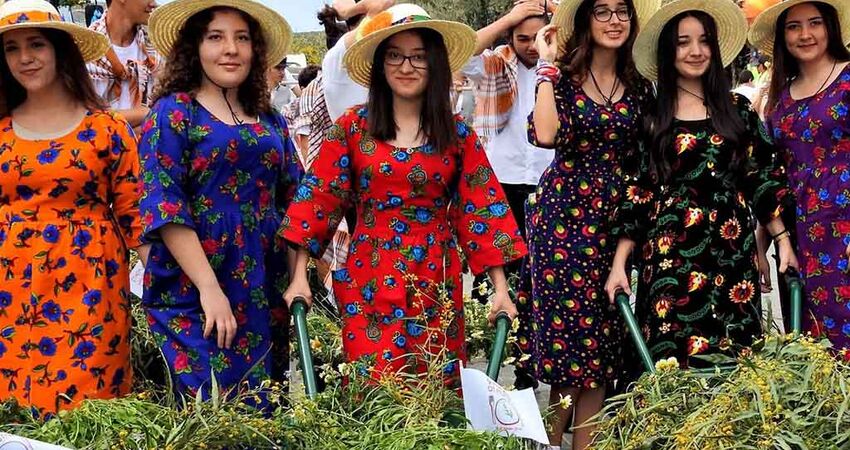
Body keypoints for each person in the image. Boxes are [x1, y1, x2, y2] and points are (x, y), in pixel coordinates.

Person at [281, 4, 526, 383]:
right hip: (369, 276)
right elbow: (317, 201)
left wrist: (501, 291)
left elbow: (483, 209)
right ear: (380, 65)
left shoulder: (457, 135)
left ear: (435, 64)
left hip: (436, 279)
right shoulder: (352, 127)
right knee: (373, 391)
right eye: (395, 55)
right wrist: (299, 277)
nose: (406, 66)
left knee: (436, 389)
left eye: (418, 56)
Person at [605, 0, 798, 370]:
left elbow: (761, 178)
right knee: (668, 364)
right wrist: (619, 265)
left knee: (734, 362)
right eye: (683, 42)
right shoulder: (652, 117)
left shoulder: (737, 110)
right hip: (669, 260)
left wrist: (782, 240)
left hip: (732, 256)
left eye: (704, 40)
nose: (696, 51)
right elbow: (636, 194)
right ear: (668, 51)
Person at [138, 0, 302, 403]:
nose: (231, 49)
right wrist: (209, 290)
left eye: (242, 38)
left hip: (264, 282)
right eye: (216, 37)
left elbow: (297, 201)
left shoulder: (270, 119)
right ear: (194, 47)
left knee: (264, 403)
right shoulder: (173, 113)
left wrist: (299, 276)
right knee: (211, 406)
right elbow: (166, 206)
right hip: (195, 285)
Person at [521, 0, 656, 447]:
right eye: (603, 11)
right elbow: (545, 135)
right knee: (569, 354)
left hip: (615, 222)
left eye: (622, 11)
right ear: (585, 20)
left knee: (601, 356)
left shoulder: (640, 85)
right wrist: (545, 67)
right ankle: (548, 443)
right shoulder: (561, 78)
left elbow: (644, 159)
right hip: (563, 222)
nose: (614, 21)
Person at [0, 0, 144, 418]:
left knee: (87, 416)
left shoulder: (107, 129)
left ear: (60, 49)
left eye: (36, 44)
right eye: (11, 48)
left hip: (92, 292)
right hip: (10, 294)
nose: (25, 58)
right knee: (15, 420)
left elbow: (135, 217)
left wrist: (187, 290)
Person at [750, 0, 850, 359]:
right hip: (799, 241)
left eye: (815, 23)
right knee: (813, 353)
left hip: (844, 234)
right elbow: (772, 176)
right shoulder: (778, 99)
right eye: (794, 27)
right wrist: (760, 244)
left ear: (830, 27)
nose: (805, 34)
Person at [461, 0, 554, 309]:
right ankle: (491, 334)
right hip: (501, 181)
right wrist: (510, 18)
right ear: (510, 38)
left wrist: (556, 11)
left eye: (537, 37)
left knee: (543, 272)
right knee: (495, 268)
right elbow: (463, 53)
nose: (531, 46)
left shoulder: (563, 67)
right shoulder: (496, 63)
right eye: (522, 38)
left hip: (547, 182)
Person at [87, 0, 159, 131]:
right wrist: (145, 114)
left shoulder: (153, 48)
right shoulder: (86, 50)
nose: (154, 3)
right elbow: (84, 119)